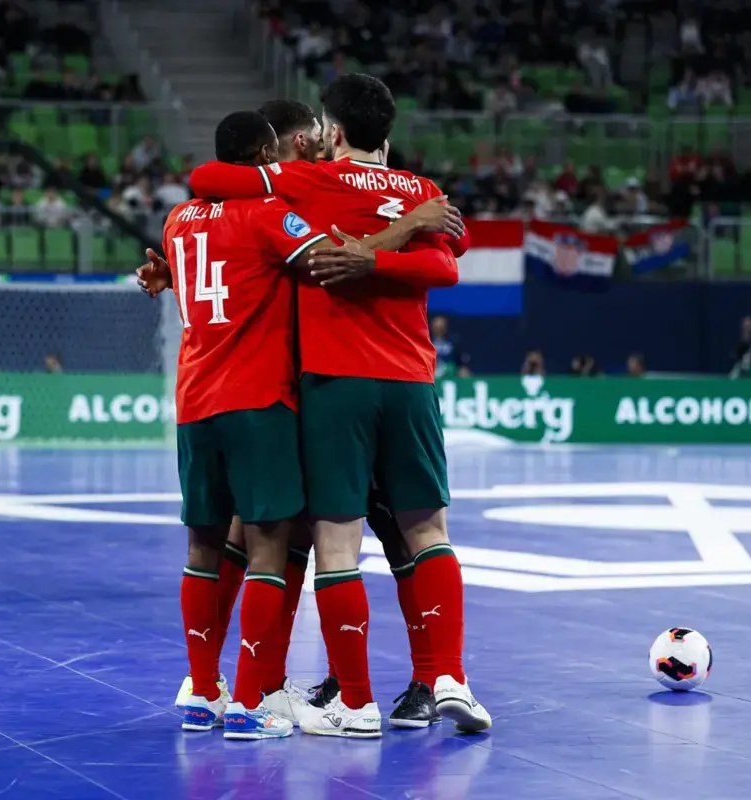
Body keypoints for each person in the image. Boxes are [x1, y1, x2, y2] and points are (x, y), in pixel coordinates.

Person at [186, 74, 491, 737]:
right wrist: (402, 234)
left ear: (337, 130)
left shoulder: (307, 184)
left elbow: (210, 177)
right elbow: (447, 262)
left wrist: (361, 260)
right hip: (410, 378)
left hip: (328, 383)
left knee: (324, 542)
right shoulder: (423, 190)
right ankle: (447, 678)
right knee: (424, 532)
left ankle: (346, 698)